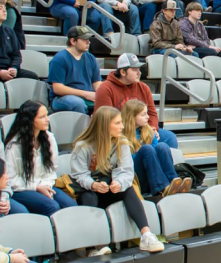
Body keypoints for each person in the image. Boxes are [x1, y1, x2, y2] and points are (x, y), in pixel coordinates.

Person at [71, 106, 165, 252]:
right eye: (117, 123)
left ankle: (146, 235)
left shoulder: (122, 143)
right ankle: (93, 248)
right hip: (89, 189)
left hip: (110, 187)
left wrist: (118, 183)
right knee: (88, 197)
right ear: (104, 125)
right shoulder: (82, 146)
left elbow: (126, 171)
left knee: (128, 189)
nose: (122, 126)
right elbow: (79, 175)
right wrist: (94, 185)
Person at [4, 101, 76, 216]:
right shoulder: (14, 145)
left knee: (71, 206)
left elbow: (51, 170)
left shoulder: (49, 138)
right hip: (21, 189)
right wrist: (37, 187)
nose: (47, 119)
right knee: (52, 206)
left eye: (47, 115)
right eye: (42, 117)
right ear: (30, 120)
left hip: (44, 185)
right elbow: (11, 179)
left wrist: (46, 185)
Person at [95, 53, 180, 149]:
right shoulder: (105, 88)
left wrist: (152, 128)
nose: (139, 73)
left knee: (169, 137)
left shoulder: (143, 87)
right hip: (121, 130)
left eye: (139, 69)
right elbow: (104, 118)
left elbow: (152, 113)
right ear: (123, 72)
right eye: (134, 70)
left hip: (142, 128)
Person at [120, 100, 189, 199]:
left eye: (147, 113)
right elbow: (126, 161)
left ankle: (173, 182)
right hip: (136, 177)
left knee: (162, 146)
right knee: (147, 149)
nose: (148, 117)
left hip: (153, 174)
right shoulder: (122, 135)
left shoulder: (148, 131)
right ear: (132, 116)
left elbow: (156, 153)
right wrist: (141, 152)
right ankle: (162, 188)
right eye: (143, 114)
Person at [47, 26, 101, 114]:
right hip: (62, 98)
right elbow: (58, 88)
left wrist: (102, 94)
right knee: (77, 103)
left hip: (87, 95)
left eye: (88, 39)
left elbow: (96, 83)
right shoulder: (60, 59)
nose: (88, 42)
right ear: (73, 41)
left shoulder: (91, 58)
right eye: (84, 39)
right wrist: (85, 94)